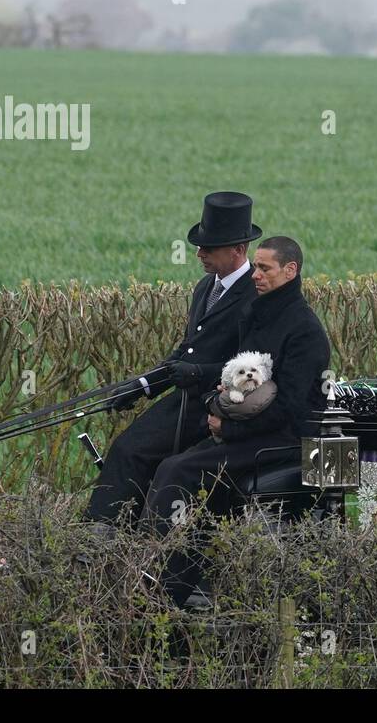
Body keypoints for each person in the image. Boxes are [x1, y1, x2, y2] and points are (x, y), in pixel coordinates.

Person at [145, 235, 331, 608]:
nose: (256, 276)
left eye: (265, 269)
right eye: (255, 267)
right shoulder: (257, 315)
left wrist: (229, 430)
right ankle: (179, 576)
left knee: (178, 470)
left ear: (290, 271)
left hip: (284, 441)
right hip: (249, 431)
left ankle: (163, 583)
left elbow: (290, 408)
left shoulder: (305, 331)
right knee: (167, 463)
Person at [83, 192, 262, 527]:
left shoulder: (253, 296)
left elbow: (249, 367)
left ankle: (102, 536)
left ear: (238, 249)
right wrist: (142, 385)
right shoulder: (205, 287)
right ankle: (116, 530)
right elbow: (187, 350)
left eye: (209, 248)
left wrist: (196, 373)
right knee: (126, 448)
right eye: (198, 246)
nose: (199, 254)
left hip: (216, 403)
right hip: (186, 398)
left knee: (132, 450)